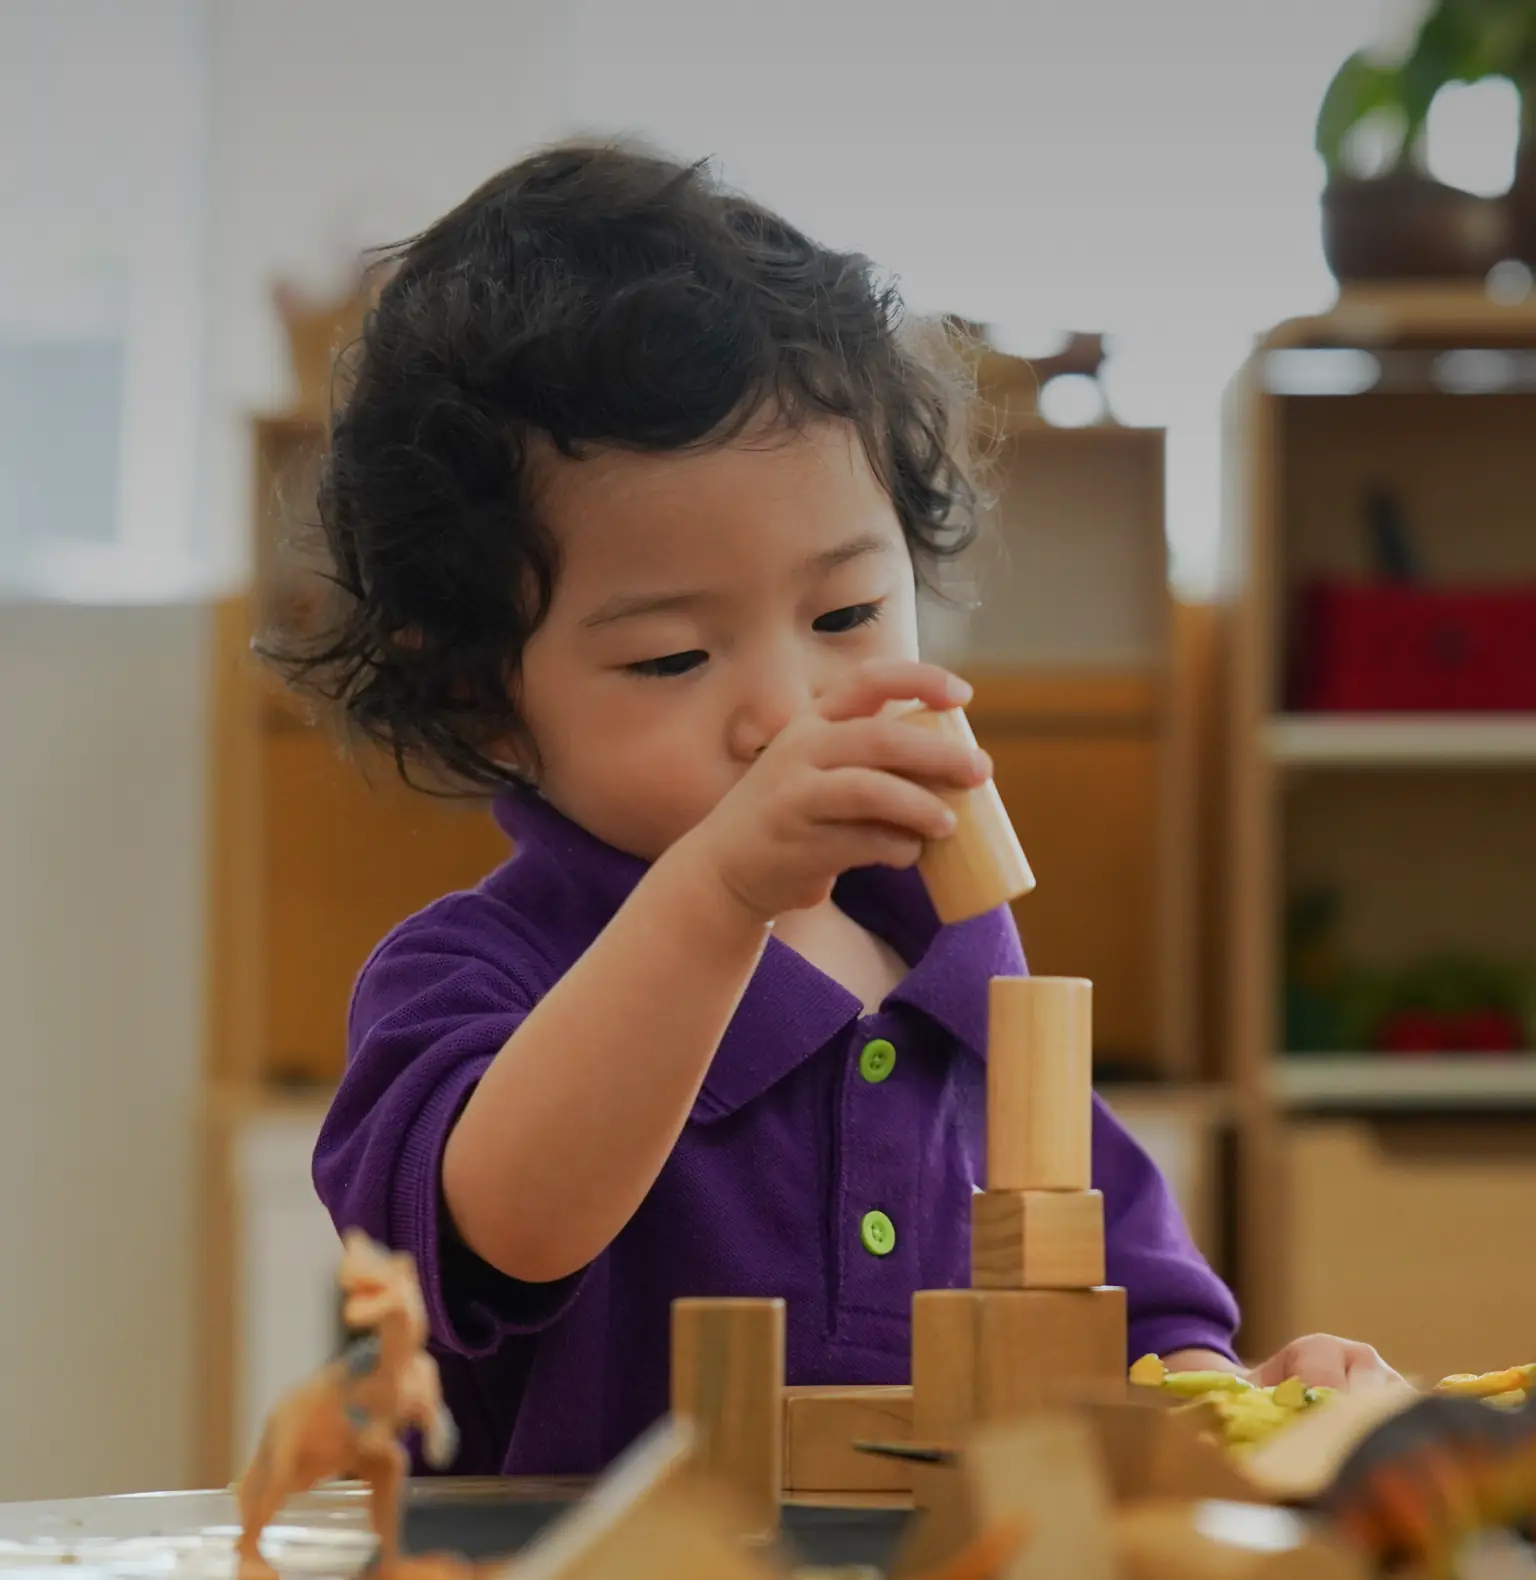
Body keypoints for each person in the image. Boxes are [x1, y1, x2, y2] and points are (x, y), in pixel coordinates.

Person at [262, 140, 1400, 1476]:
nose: (785, 706)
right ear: (482, 701)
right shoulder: (472, 978)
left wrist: (1233, 1396)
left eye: (848, 614)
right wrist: (720, 891)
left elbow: (1124, 1304)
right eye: (673, 659)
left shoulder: (951, 958)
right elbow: (513, 1223)